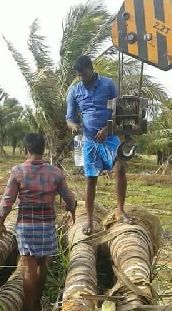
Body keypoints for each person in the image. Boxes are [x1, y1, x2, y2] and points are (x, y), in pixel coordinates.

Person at [0, 132, 76, 311]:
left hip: (26, 226)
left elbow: (7, 200)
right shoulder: (55, 172)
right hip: (47, 226)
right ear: (43, 149)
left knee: (28, 269)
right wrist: (72, 213)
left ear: (26, 150)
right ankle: (37, 304)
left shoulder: (18, 172)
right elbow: (69, 198)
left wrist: (0, 221)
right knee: (42, 267)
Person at [66, 55, 128, 234]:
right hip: (89, 140)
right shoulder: (75, 91)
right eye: (78, 75)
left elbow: (118, 111)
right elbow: (69, 118)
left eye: (84, 74)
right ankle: (90, 221)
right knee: (91, 179)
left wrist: (108, 129)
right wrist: (74, 126)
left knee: (120, 168)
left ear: (91, 69)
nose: (81, 78)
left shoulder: (108, 84)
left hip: (109, 137)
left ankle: (120, 210)